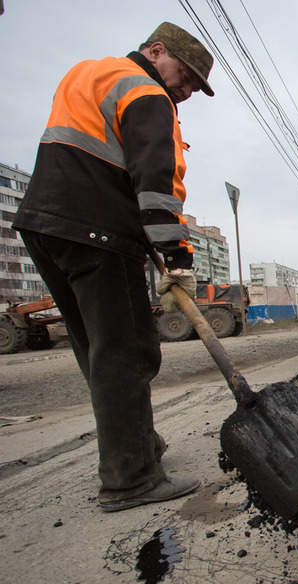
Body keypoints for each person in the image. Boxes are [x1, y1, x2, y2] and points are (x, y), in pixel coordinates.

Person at [13, 23, 215, 511]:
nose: (186, 92)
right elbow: (156, 181)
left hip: (44, 226)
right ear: (156, 51)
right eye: (186, 77)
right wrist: (177, 259)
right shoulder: (147, 92)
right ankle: (131, 479)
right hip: (98, 233)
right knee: (127, 352)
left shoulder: (87, 74)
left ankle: (137, 444)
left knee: (96, 348)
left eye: (193, 87)